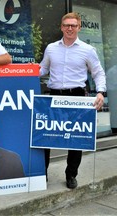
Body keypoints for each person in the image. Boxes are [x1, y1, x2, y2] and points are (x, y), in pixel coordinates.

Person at [39, 12, 106, 189]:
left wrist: (100, 92)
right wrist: (22, 73)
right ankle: (42, 174)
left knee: (75, 138)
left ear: (79, 27)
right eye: (67, 25)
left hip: (76, 96)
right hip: (54, 95)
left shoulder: (87, 50)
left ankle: (71, 175)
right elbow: (42, 69)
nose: (70, 28)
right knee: (46, 136)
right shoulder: (51, 48)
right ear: (61, 27)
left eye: (73, 25)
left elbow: (98, 73)